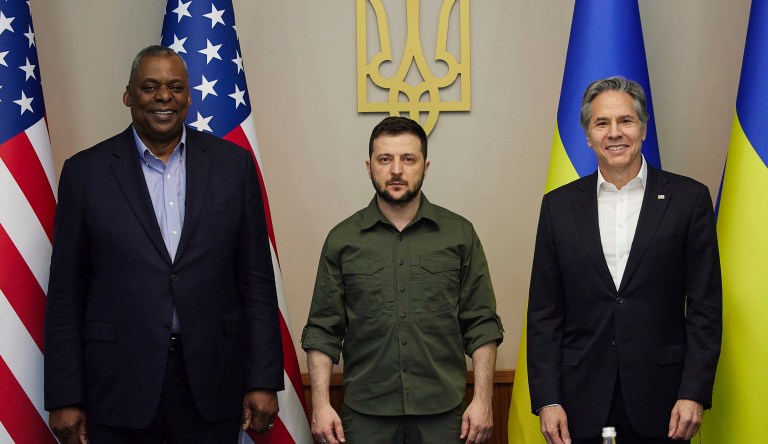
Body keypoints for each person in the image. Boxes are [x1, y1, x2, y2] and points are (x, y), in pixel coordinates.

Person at [44, 45, 283, 444]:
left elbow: (256, 281)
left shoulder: (233, 167)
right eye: (150, 86)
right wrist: (65, 395)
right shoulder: (85, 174)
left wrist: (262, 379)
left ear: (189, 96)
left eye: (175, 86)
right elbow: (67, 292)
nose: (163, 96)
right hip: (119, 387)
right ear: (128, 95)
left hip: (212, 384)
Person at [526, 76, 722, 444]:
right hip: (579, 402)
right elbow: (544, 312)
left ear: (643, 129)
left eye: (625, 121)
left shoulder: (688, 200)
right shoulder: (558, 207)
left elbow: (705, 308)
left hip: (664, 401)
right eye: (602, 123)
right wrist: (547, 399)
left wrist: (693, 391)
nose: (614, 133)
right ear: (588, 135)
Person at [302, 116, 504, 444]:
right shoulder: (342, 240)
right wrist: (321, 405)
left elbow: (481, 324)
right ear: (370, 167)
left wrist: (483, 401)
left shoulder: (459, 235)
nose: (396, 170)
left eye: (408, 159)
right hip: (366, 416)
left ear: (425, 166)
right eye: (385, 159)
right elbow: (323, 330)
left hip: (444, 415)